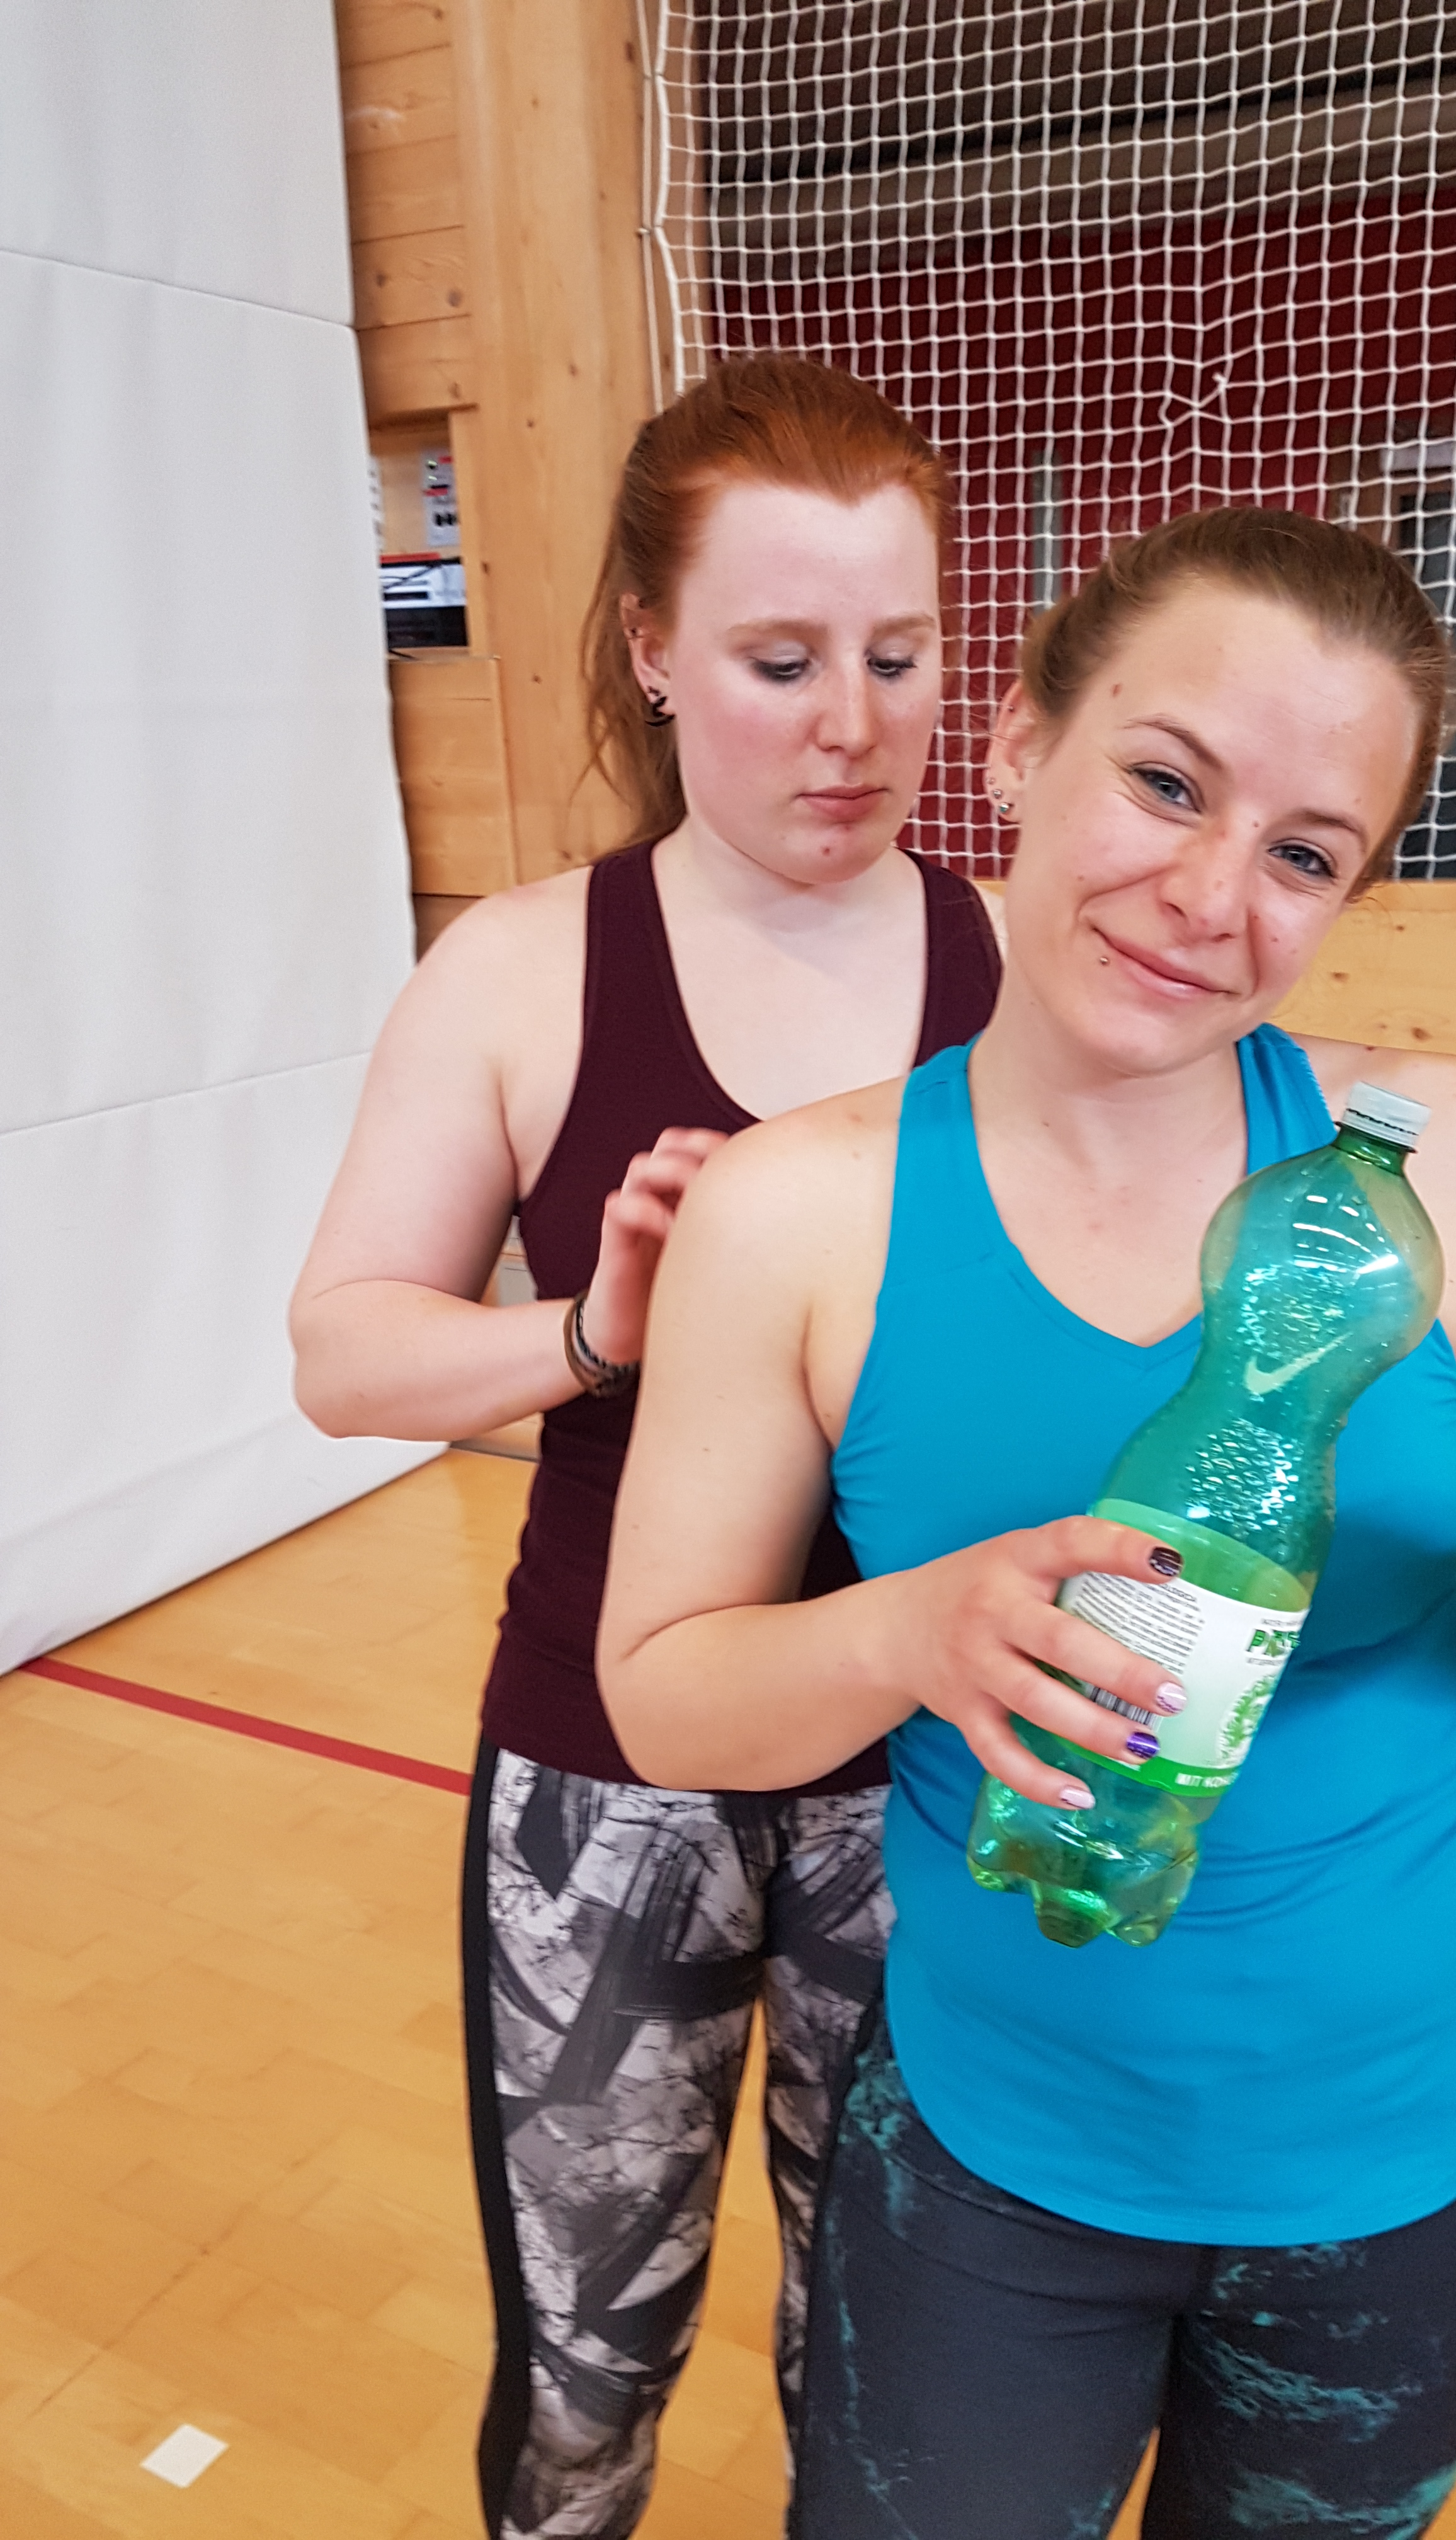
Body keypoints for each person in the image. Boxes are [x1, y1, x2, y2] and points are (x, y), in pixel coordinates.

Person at [594, 505, 1456, 2539]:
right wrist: (913, 1633)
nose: (1208, 896)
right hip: (998, 2155)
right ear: (1023, 745)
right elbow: (665, 1697)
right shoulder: (795, 1211)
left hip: (1415, 2147)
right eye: (1168, 782)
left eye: (1304, 853)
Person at [289, 357, 1001, 2540]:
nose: (853, 725)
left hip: (926, 1760)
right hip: (608, 1777)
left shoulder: (1022, 964)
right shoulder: (522, 971)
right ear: (654, 650)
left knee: (884, 2350)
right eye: (783, 661)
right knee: (589, 2369)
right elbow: (343, 1356)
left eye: (899, 655)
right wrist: (590, 1331)